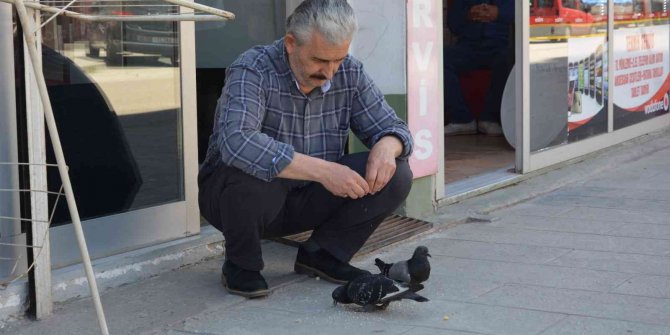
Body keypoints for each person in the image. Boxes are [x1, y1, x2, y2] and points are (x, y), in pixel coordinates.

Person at [198, 0, 414, 298]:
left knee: (398, 173)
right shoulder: (252, 68)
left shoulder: (348, 72)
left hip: (307, 197)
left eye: (338, 59)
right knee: (246, 175)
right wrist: (325, 171)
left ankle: (323, 254)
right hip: (242, 201)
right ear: (290, 44)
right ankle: (241, 264)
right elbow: (237, 142)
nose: (329, 72)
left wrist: (388, 146)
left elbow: (396, 128)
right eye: (319, 60)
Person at [444, 0, 514, 136]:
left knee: (508, 58)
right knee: (440, 59)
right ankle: (462, 119)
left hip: (498, 46)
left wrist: (498, 13)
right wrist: (469, 15)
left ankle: (489, 119)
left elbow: (518, 12)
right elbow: (453, 23)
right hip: (468, 47)